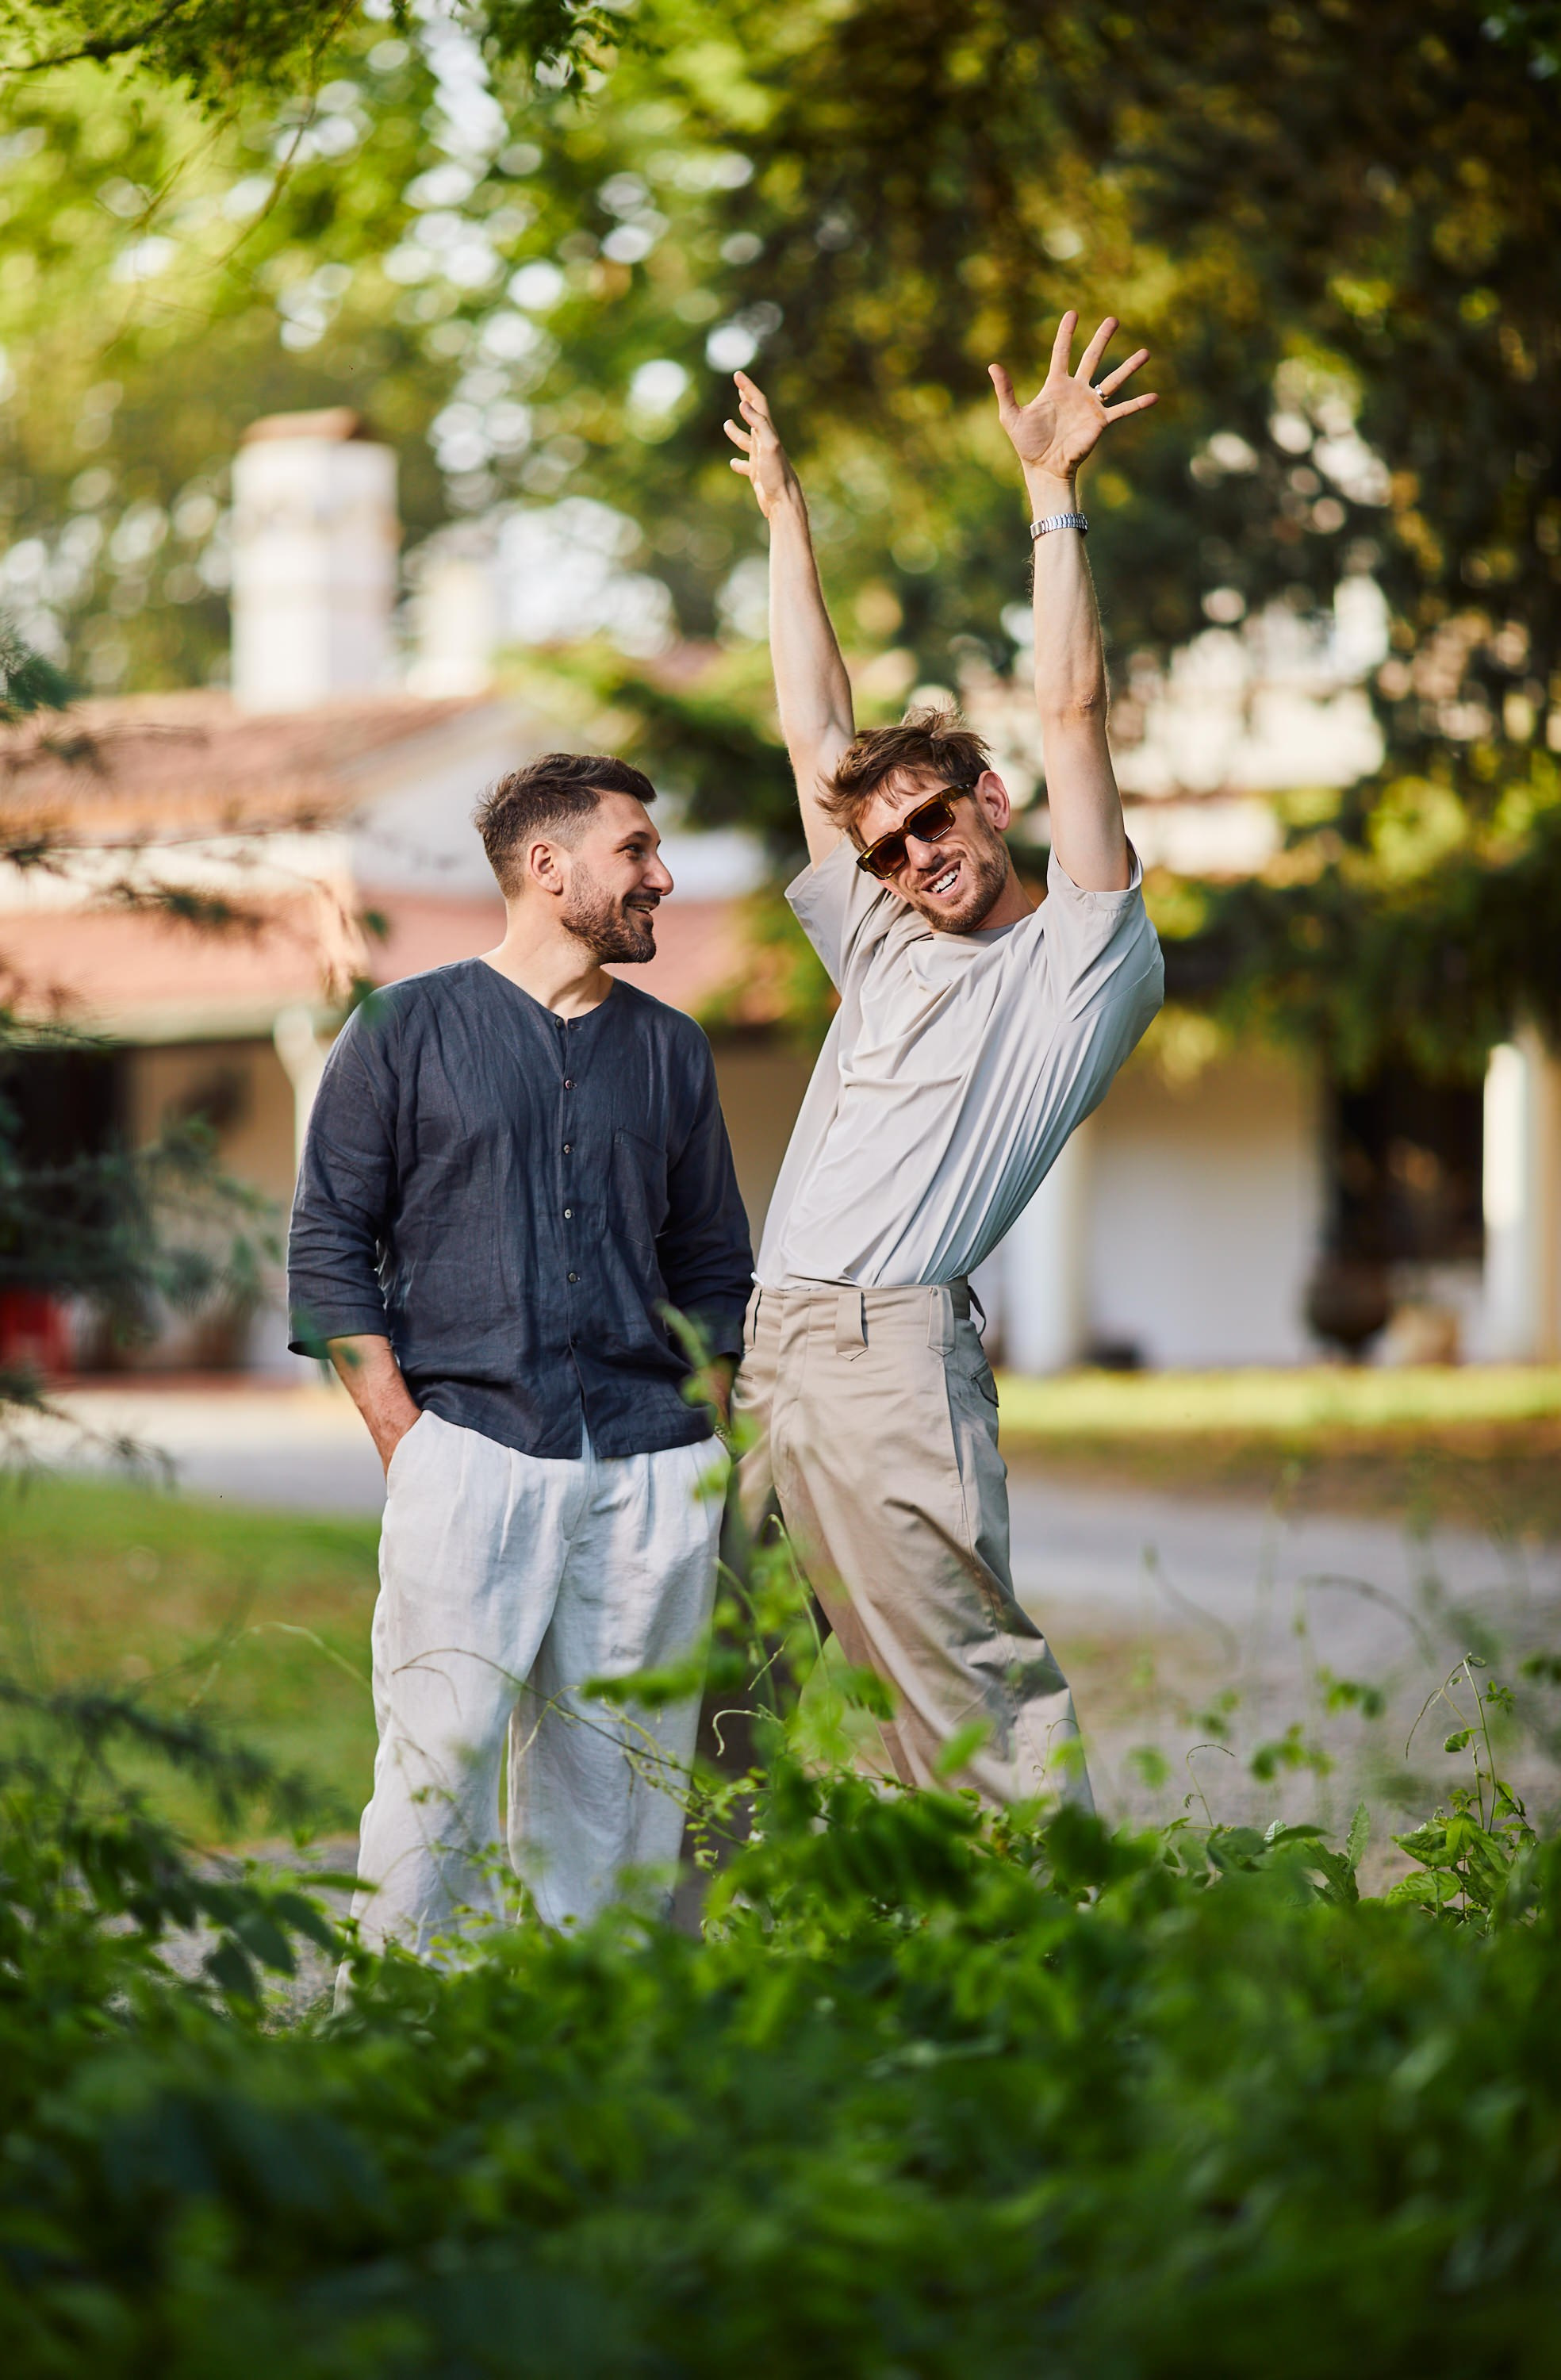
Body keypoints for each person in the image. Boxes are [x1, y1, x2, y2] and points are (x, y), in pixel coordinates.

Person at [725, 311, 1166, 1810]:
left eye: (933, 823)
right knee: (728, 1684)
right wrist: (786, 520)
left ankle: (1064, 1976)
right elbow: (814, 732)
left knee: (960, 1698)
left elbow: (1073, 709)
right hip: (769, 1349)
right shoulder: (889, 938)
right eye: (891, 850)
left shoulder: (1082, 962)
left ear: (988, 800)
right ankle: (729, 1993)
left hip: (888, 1355)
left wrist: (1051, 498)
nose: (916, 858)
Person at [288, 753, 754, 1964]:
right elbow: (329, 1235)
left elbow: (712, 1261)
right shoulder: (401, 1029)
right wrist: (406, 1434)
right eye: (636, 851)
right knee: (436, 1765)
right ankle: (396, 2017)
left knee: (622, 1785)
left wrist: (699, 1434)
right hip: (470, 1451)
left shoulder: (672, 1050)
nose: (661, 875)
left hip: (652, 1467)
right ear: (548, 869)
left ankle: (585, 2033)